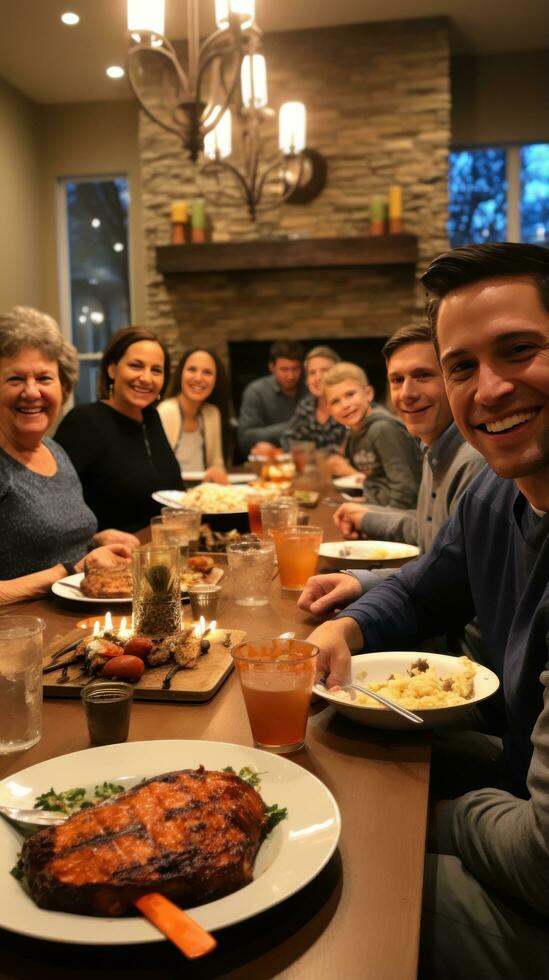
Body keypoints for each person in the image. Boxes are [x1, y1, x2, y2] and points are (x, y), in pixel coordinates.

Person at [306, 243, 549, 978]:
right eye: (462, 366)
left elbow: (542, 858)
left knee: (341, 888)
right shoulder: (495, 494)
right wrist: (349, 623)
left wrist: (434, 815)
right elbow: (422, 588)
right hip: (514, 774)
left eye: (518, 350)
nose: (490, 388)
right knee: (333, 763)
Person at [300, 325, 485, 618]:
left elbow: (452, 584)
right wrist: (359, 580)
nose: (408, 393)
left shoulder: (474, 463)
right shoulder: (432, 452)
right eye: (397, 380)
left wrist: (364, 586)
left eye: (423, 375)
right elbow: (431, 542)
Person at [0, 307, 138, 605]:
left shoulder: (55, 451)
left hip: (76, 624)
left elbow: (50, 542)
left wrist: (96, 540)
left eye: (44, 378)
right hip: (19, 637)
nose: (32, 392)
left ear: (64, 388)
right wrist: (73, 569)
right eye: (15, 379)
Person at [55, 327, 183, 533]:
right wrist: (95, 539)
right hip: (109, 556)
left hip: (162, 549)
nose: (146, 378)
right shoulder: (84, 421)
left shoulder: (151, 418)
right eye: (136, 366)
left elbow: (173, 490)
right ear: (112, 369)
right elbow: (56, 506)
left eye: (156, 370)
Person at [323, 361, 421, 508]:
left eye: (350, 394)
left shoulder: (382, 429)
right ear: (329, 410)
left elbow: (405, 490)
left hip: (402, 515)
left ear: (368, 394)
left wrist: (378, 520)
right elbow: (377, 480)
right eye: (335, 401)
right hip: (379, 506)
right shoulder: (354, 433)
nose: (345, 405)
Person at [158, 347, 231, 484]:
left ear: (216, 380)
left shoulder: (212, 413)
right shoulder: (166, 411)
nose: (198, 378)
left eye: (207, 373)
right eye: (192, 370)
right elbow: (157, 469)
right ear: (181, 373)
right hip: (168, 498)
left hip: (202, 497)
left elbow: (217, 465)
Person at [237, 340, 306, 457]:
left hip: (307, 459)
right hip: (268, 461)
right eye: (284, 370)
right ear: (272, 367)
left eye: (296, 369)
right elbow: (245, 439)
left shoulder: (310, 387)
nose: (291, 376)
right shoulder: (256, 391)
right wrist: (292, 426)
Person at [282, 345, 346, 451]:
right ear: (306, 380)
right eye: (312, 373)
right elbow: (288, 442)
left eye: (325, 370)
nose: (318, 378)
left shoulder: (349, 404)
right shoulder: (307, 405)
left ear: (339, 373)